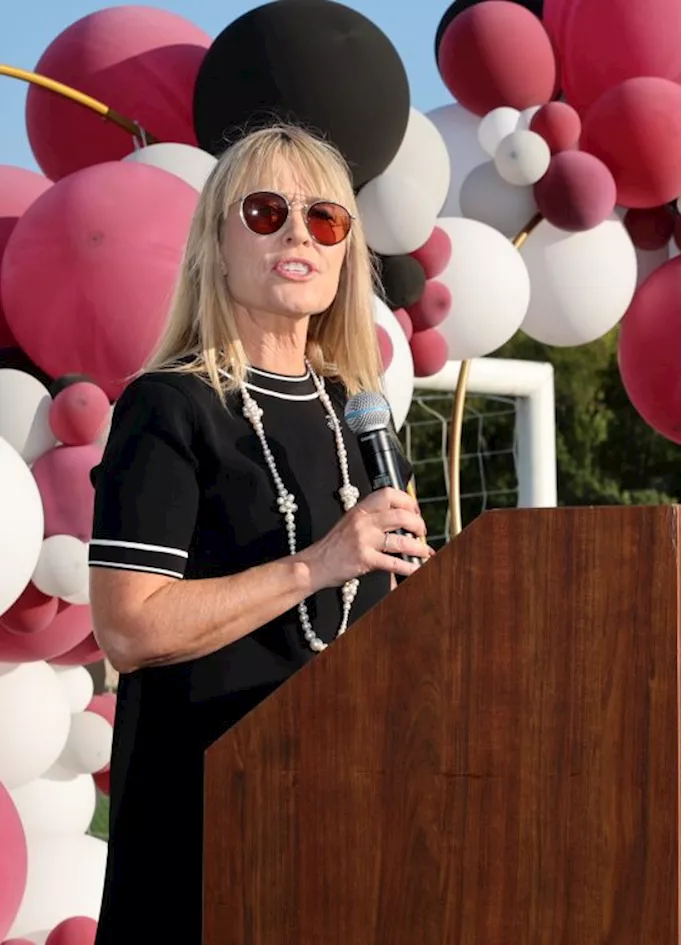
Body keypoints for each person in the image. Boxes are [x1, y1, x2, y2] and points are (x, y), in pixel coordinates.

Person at [87, 124, 435, 943]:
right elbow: (129, 625)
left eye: (325, 219)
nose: (296, 235)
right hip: (207, 830)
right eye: (267, 210)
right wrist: (316, 564)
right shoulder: (168, 406)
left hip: (354, 823)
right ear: (217, 238)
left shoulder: (361, 411)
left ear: (346, 251)